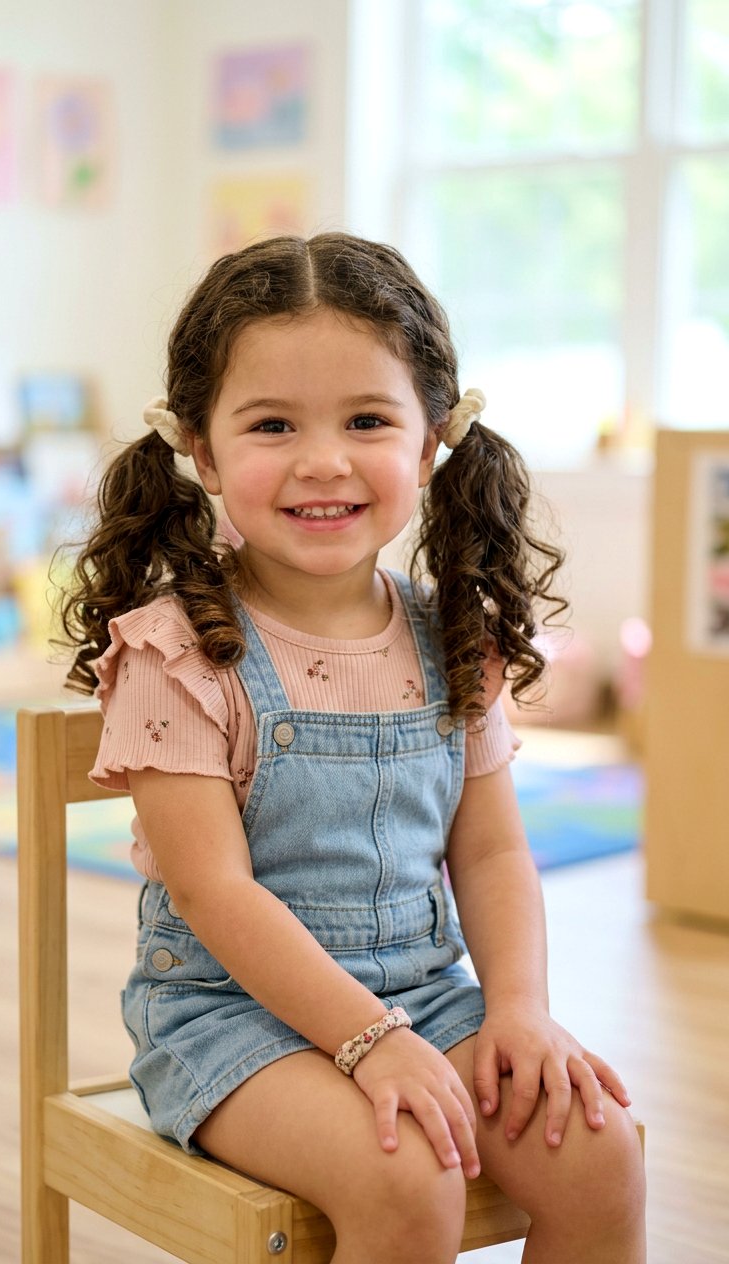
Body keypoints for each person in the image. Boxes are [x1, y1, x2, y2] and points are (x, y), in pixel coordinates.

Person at [59, 232, 646, 1263]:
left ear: (428, 444)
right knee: (405, 1174)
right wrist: (366, 1041)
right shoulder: (174, 653)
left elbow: (493, 853)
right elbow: (213, 893)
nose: (321, 460)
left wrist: (515, 1009)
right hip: (227, 1022)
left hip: (422, 994)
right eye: (272, 423)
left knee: (597, 1152)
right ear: (200, 448)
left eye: (366, 420)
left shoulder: (454, 637)